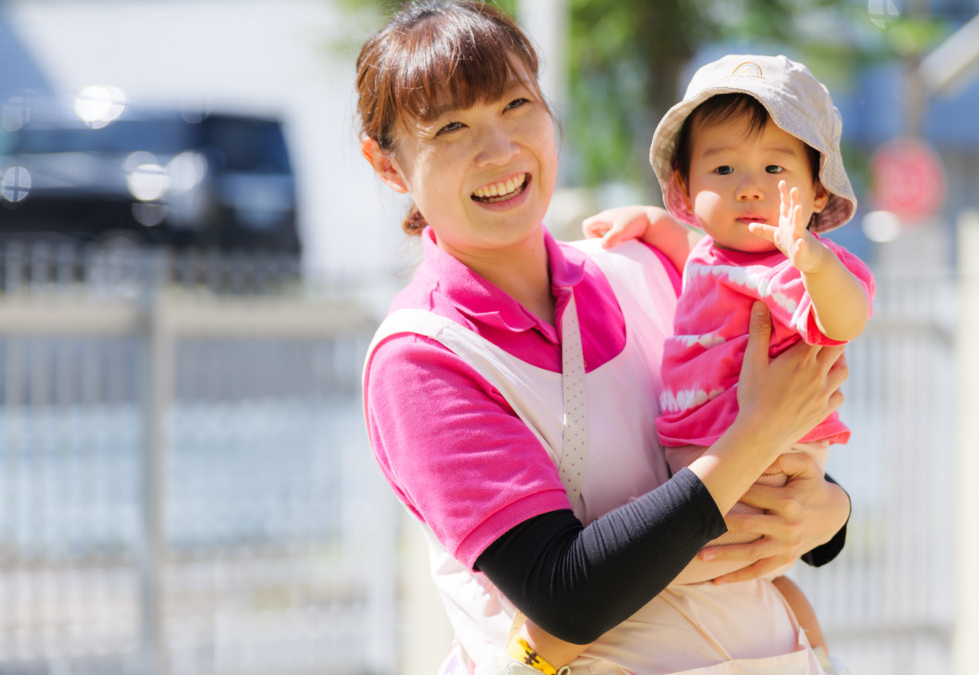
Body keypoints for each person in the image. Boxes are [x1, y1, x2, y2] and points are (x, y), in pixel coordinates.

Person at [358, 4, 852, 674]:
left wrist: (829, 512)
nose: (501, 150)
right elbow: (567, 595)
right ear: (388, 165)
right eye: (451, 127)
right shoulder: (424, 357)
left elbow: (780, 456)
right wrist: (758, 436)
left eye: (515, 104)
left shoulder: (644, 268)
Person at [518, 54, 874, 674]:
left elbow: (845, 319)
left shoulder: (795, 270)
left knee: (678, 574)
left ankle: (530, 660)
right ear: (684, 187)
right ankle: (813, 649)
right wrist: (652, 224)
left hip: (770, 459)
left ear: (817, 190)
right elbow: (697, 258)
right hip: (710, 454)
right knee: (744, 579)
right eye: (724, 167)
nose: (749, 186)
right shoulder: (715, 254)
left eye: (774, 167)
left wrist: (812, 259)